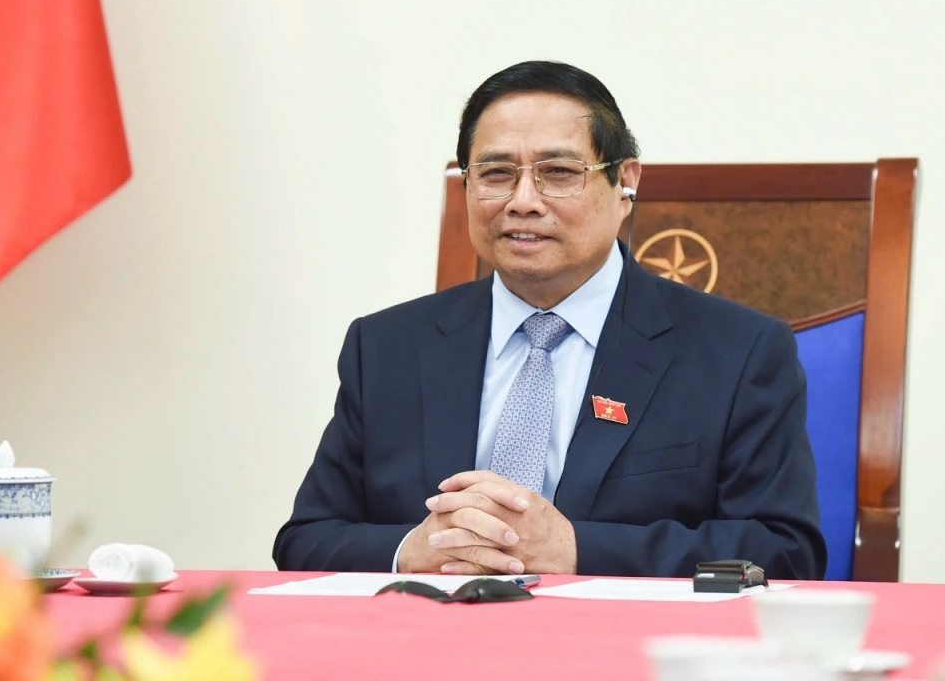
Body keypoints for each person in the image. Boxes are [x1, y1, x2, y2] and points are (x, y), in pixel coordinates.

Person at [273, 60, 826, 578]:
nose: (523, 201)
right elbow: (305, 540)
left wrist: (577, 550)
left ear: (625, 183)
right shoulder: (385, 347)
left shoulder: (739, 350)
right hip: (431, 635)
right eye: (495, 173)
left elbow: (784, 552)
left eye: (559, 172)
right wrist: (412, 550)